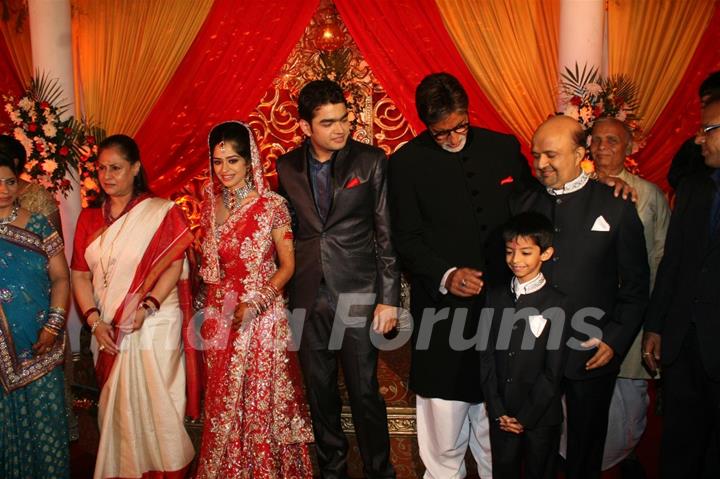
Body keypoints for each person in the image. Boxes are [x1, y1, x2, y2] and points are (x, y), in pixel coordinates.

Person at [388, 72, 534, 479]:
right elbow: (405, 237)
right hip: (442, 314)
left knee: (497, 429)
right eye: (441, 134)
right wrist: (446, 274)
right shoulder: (405, 164)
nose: (454, 139)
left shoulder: (503, 149)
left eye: (461, 127)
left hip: (504, 307)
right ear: (425, 125)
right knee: (444, 429)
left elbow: (535, 210)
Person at [511, 115, 649, 479]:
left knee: (586, 450)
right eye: (536, 155)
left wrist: (614, 341)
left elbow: (636, 287)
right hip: (533, 353)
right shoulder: (523, 206)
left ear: (579, 152)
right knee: (535, 447)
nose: (541, 164)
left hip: (591, 353)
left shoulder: (616, 205)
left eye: (551, 155)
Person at [276, 79, 399, 479]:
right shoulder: (286, 167)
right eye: (328, 123)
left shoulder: (370, 161)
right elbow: (289, 230)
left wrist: (388, 299)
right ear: (305, 127)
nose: (340, 129)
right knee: (319, 393)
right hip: (308, 295)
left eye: (344, 119)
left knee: (364, 392)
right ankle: (333, 470)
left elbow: (386, 234)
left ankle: (380, 471)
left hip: (359, 295)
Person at [71, 134, 197, 479]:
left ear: (136, 168)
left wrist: (146, 308)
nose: (108, 176)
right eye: (101, 169)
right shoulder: (88, 220)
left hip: (154, 321)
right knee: (118, 410)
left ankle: (167, 470)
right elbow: (79, 276)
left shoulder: (160, 213)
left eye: (116, 168)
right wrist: (96, 322)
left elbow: (174, 264)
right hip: (108, 327)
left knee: (159, 404)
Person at [194, 121, 313, 478]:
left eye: (232, 160)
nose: (224, 170)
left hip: (261, 318)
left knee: (260, 403)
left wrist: (256, 303)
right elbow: (210, 271)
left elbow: (288, 265)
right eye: (217, 162)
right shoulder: (209, 206)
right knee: (223, 405)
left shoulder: (271, 205)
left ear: (250, 161)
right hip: (222, 320)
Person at [643, 96, 720, 478]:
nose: (697, 140)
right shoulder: (693, 189)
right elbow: (672, 262)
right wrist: (655, 325)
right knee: (677, 452)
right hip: (683, 345)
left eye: (707, 130)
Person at [590, 117, 670, 472]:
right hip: (587, 319)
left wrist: (656, 322)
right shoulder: (578, 188)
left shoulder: (648, 194)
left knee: (627, 408)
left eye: (612, 141)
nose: (602, 148)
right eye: (596, 140)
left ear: (629, 147)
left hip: (635, 320)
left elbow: (662, 258)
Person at [0, 134, 78, 442]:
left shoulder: (38, 224)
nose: (4, 190)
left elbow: (61, 277)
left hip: (37, 343)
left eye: (9, 182)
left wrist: (54, 324)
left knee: (44, 432)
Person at [480, 211, 570, 479]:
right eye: (510, 252)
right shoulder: (494, 297)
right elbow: (485, 357)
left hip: (541, 418)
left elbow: (554, 371)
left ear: (545, 253)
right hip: (502, 416)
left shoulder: (558, 303)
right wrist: (497, 410)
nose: (515, 260)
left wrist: (525, 417)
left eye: (526, 253)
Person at [666, 71, 720, 190]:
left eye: (712, 103)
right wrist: (694, 147)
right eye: (703, 105)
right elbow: (675, 179)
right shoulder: (695, 144)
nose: (707, 110)